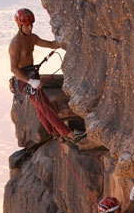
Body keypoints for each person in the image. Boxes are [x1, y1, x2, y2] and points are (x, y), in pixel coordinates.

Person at [9, 8, 86, 142]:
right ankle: (70, 134)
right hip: (25, 79)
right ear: (19, 25)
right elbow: (14, 69)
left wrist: (64, 42)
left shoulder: (32, 38)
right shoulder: (15, 44)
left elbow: (50, 44)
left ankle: (54, 133)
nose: (30, 27)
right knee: (45, 106)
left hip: (32, 74)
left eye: (31, 24)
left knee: (40, 109)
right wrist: (30, 82)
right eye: (26, 25)